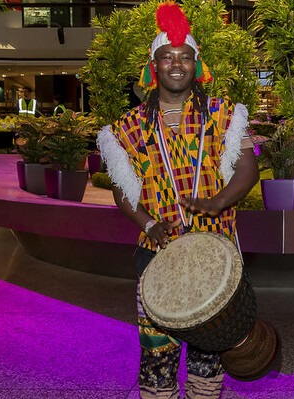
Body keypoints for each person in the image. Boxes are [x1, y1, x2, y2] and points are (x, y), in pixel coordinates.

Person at [96, 3, 258, 398]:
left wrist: (219, 201)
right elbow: (122, 190)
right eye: (167, 57)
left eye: (185, 57)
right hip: (157, 253)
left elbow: (247, 170)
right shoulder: (127, 129)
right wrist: (148, 224)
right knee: (157, 358)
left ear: (196, 65)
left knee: (208, 358)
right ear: (153, 67)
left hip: (214, 252)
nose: (176, 64)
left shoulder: (225, 116)